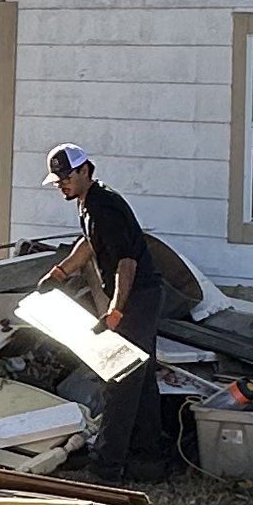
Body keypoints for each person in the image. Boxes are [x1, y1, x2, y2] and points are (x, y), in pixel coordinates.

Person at [42, 144, 165, 474]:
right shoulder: (87, 203)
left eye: (67, 177)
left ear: (85, 171)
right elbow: (89, 243)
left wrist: (115, 311)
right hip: (138, 296)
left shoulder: (104, 205)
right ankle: (148, 458)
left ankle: (107, 465)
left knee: (121, 376)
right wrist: (60, 272)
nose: (62, 185)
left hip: (137, 296)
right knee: (141, 377)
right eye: (58, 181)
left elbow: (127, 262)